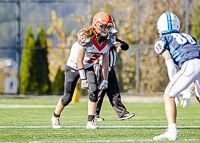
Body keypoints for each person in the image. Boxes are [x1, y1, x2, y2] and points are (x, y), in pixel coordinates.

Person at [51, 12, 115, 129]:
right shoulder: (86, 38)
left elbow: (105, 61)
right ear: (96, 25)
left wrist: (105, 79)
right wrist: (83, 79)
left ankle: (90, 121)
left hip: (88, 66)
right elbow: (79, 60)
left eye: (108, 27)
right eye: (104, 27)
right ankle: (55, 117)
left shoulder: (107, 41)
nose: (106, 30)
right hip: (74, 66)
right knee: (67, 97)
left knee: (94, 90)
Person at [153, 12, 200, 141]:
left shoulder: (163, 40)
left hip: (190, 65)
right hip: (196, 63)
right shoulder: (188, 36)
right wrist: (190, 89)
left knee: (168, 95)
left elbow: (170, 65)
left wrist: (175, 91)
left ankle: (172, 132)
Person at [93, 27, 135, 121]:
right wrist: (113, 45)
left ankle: (122, 113)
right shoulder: (99, 39)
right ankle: (94, 114)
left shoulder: (113, 39)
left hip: (110, 69)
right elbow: (102, 48)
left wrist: (119, 44)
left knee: (114, 92)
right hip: (100, 68)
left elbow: (126, 46)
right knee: (99, 92)